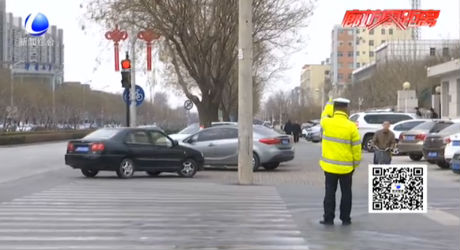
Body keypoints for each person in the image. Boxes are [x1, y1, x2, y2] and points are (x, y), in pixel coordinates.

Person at [319, 98, 361, 226]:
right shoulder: (351, 126)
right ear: (346, 109)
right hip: (347, 168)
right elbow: (357, 149)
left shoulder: (326, 122)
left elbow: (324, 115)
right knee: (346, 193)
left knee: (330, 193)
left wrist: (330, 102)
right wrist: (355, 164)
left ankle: (328, 218)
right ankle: (346, 219)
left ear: (334, 109)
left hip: (329, 167)